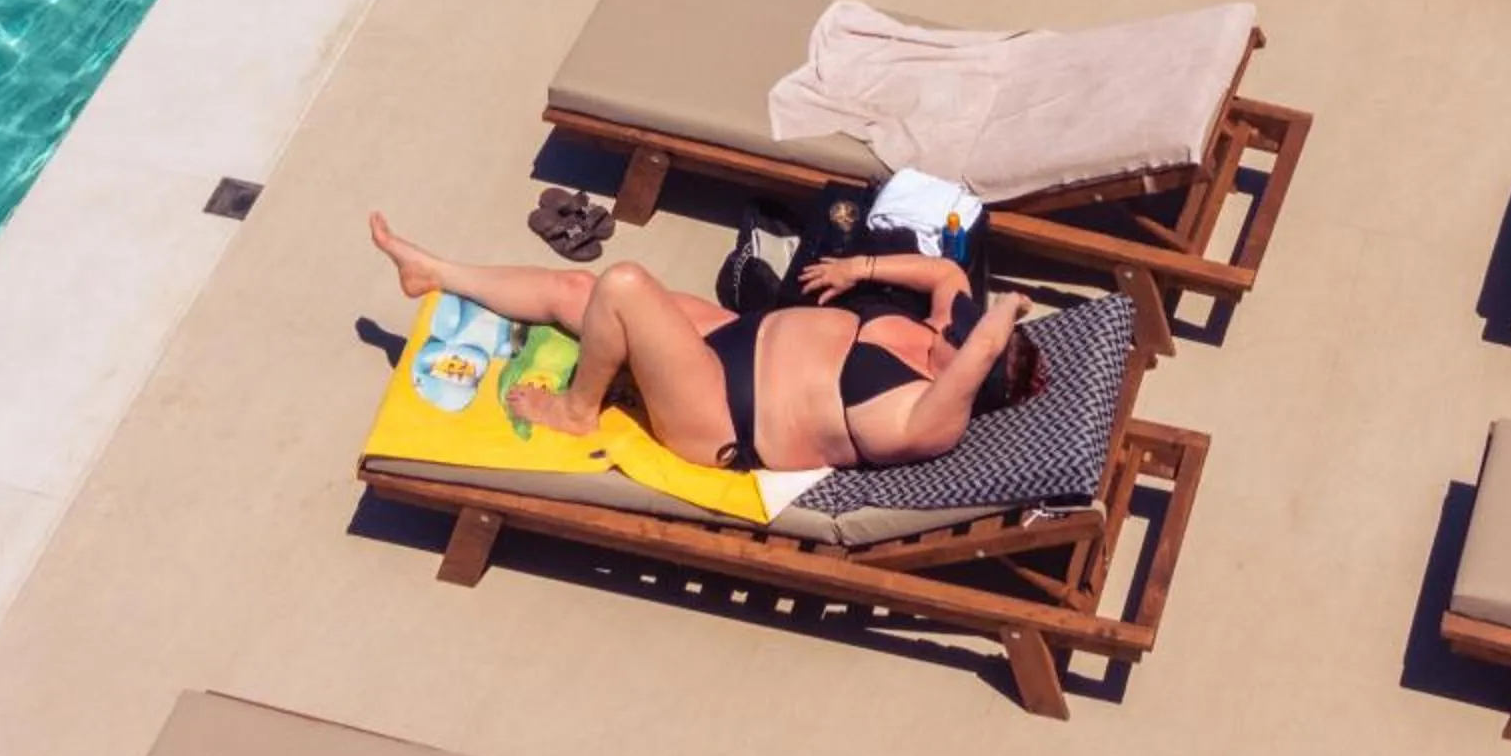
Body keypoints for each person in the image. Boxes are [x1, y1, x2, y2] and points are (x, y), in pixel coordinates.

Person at [370, 211, 1044, 471]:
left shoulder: (924, 420)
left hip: (719, 414)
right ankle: (433, 271)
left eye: (961, 338)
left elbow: (978, 348)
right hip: (731, 336)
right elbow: (946, 274)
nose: (947, 325)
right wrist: (858, 269)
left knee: (624, 286)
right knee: (583, 291)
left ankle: (576, 411)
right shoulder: (940, 330)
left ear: (968, 371)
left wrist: (1009, 311)